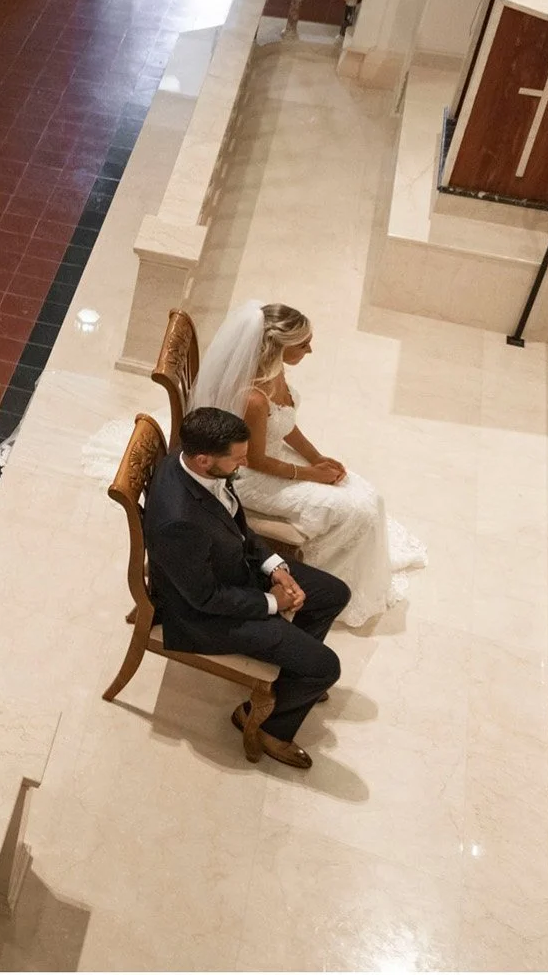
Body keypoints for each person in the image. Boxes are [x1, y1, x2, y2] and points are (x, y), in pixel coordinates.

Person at [143, 405, 350, 769]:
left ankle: (289, 678)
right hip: (202, 615)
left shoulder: (192, 463)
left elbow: (236, 525)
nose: (244, 463)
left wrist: (275, 567)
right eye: (237, 459)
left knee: (334, 594)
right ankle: (270, 727)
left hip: (232, 569)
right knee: (325, 668)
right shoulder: (178, 521)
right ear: (205, 459)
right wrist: (272, 602)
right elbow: (204, 598)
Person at [196, 301, 425, 626]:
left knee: (369, 495)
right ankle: (326, 586)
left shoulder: (274, 370)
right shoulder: (253, 397)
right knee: (353, 510)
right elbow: (256, 459)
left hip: (274, 461)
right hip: (250, 478)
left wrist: (316, 457)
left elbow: (284, 423)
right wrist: (311, 474)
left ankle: (357, 575)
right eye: (303, 344)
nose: (311, 349)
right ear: (279, 345)